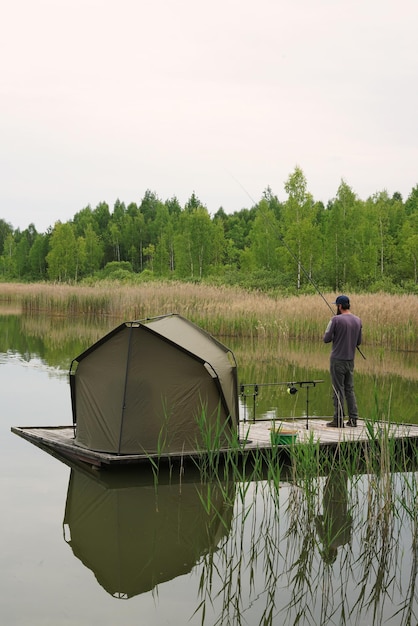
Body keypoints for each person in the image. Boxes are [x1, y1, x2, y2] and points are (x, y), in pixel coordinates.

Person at [323, 295, 362, 427]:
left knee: (338, 390)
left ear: (339, 306)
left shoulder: (335, 320)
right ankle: (353, 419)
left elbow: (326, 339)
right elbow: (359, 342)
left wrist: (335, 333)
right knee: (349, 390)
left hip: (337, 360)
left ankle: (338, 420)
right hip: (350, 361)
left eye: (337, 306)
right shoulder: (358, 320)